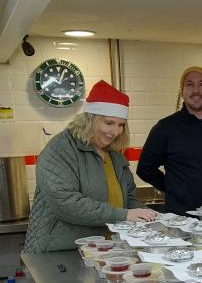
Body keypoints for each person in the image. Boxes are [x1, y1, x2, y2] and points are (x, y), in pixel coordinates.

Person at [24, 80, 156, 254]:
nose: (115, 132)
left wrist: (150, 216)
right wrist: (122, 216)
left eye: (121, 125)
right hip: (60, 251)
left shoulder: (114, 155)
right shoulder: (61, 148)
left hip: (104, 249)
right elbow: (67, 203)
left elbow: (128, 200)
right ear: (89, 120)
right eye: (109, 123)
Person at [137, 66, 202, 213]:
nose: (195, 90)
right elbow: (145, 168)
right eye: (189, 84)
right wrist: (174, 187)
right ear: (182, 91)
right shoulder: (166, 127)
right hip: (181, 217)